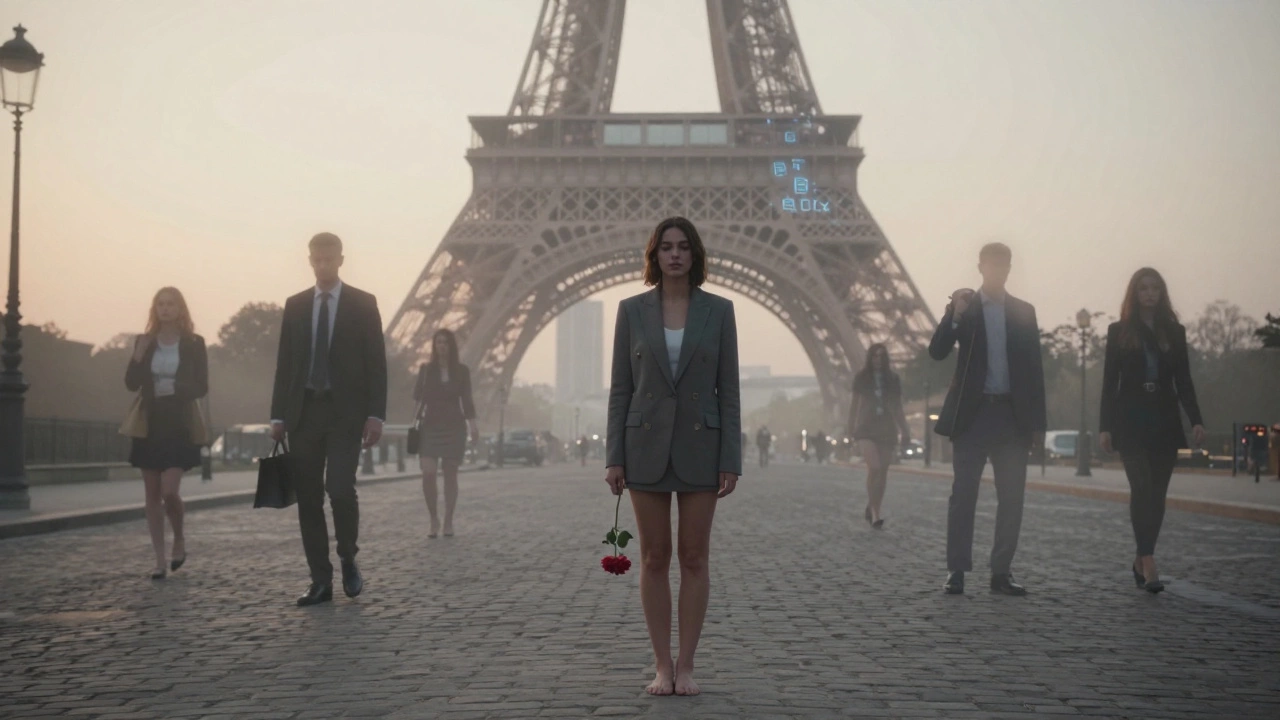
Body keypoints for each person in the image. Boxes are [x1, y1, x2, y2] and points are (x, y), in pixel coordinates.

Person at [604, 216, 741, 697]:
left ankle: (687, 664)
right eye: (667, 247)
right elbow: (621, 388)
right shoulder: (631, 310)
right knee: (653, 556)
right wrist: (613, 456)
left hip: (703, 445)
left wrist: (732, 457)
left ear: (695, 254)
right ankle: (662, 664)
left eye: (684, 246)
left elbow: (730, 392)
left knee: (695, 558)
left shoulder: (720, 311)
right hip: (644, 445)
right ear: (655, 255)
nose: (676, 254)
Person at [270, 232, 387, 607]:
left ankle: (348, 555)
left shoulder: (363, 304)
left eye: (328, 259)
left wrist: (375, 415)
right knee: (308, 499)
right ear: (310, 260)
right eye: (316, 260)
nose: (322, 265)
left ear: (340, 259)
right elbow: (285, 364)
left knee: (339, 489)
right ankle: (320, 579)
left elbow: (376, 364)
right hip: (305, 411)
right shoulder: (296, 305)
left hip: (344, 412)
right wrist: (278, 414)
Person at [930, 242, 1046, 596]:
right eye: (992, 265)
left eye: (1004, 265)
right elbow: (936, 351)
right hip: (973, 415)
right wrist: (954, 316)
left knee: (1012, 497)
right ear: (980, 267)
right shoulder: (965, 308)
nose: (998, 271)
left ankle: (1001, 571)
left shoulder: (1024, 312)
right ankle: (957, 570)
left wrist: (1038, 424)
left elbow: (1034, 371)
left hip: (1011, 415)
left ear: (1009, 268)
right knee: (963, 494)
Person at [1098, 268, 1204, 593]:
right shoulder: (1119, 331)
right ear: (1134, 293)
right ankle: (1148, 560)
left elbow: (1183, 379)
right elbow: (1108, 384)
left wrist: (1196, 419)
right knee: (1141, 487)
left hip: (1163, 418)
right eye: (1143, 288)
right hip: (1129, 419)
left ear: (1161, 293)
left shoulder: (1174, 331)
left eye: (1155, 288)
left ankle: (1141, 557)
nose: (1149, 294)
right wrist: (1104, 427)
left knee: (1157, 495)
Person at [124, 287, 208, 580]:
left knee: (169, 491)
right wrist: (137, 356)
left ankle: (180, 537)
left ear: (180, 308)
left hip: (178, 421)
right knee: (151, 493)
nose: (165, 308)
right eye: (160, 304)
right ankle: (159, 560)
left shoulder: (194, 343)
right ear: (154, 309)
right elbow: (131, 384)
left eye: (170, 304)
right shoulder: (144, 341)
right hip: (151, 420)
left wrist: (176, 388)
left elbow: (202, 386)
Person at [413, 328, 479, 538]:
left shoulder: (462, 371)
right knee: (428, 473)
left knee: (450, 474)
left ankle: (448, 519)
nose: (442, 346)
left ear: (451, 346)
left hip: (454, 427)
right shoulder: (425, 370)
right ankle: (434, 518)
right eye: (438, 342)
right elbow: (417, 399)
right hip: (430, 426)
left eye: (445, 342)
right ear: (434, 346)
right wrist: (413, 422)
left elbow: (467, 400)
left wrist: (473, 425)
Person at [848, 343, 911, 529]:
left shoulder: (893, 379)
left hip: (886, 428)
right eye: (875, 356)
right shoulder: (861, 378)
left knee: (882, 471)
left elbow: (898, 408)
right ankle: (875, 512)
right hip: (866, 428)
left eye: (881, 356)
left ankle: (874, 507)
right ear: (870, 358)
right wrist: (850, 429)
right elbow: (854, 406)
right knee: (874, 468)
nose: (878, 360)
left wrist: (905, 430)